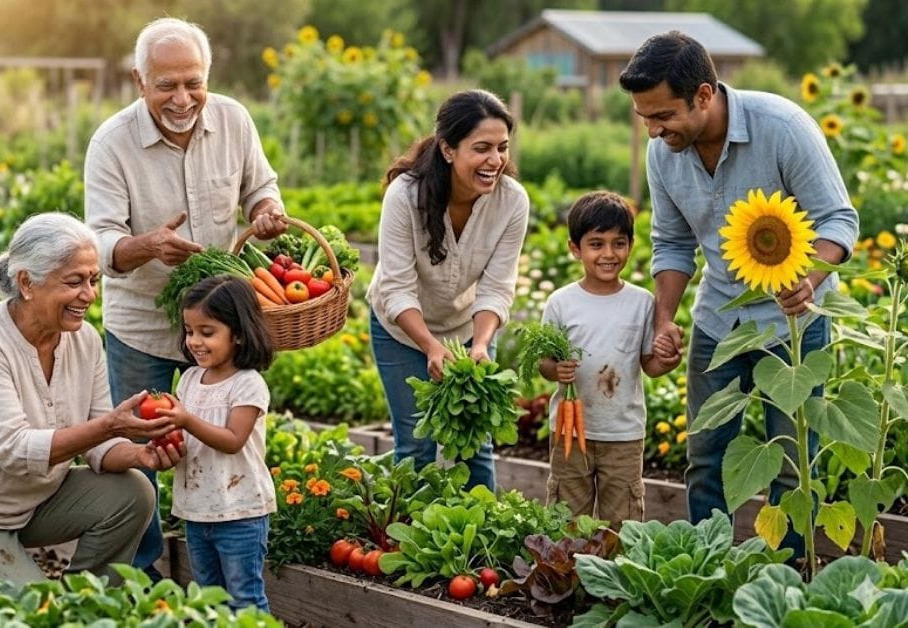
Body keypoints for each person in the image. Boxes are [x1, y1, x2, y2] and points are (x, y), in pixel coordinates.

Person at [618, 32, 858, 552]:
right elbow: (673, 242)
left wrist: (809, 279)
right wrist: (663, 319)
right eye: (645, 119)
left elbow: (838, 219)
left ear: (703, 95)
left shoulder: (784, 128)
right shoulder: (663, 154)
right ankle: (712, 571)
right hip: (719, 319)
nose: (654, 131)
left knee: (795, 463)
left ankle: (789, 579)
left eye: (663, 116)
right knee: (705, 458)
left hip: (795, 326)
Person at [0, 213, 186, 597]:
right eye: (74, 282)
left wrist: (141, 454)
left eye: (93, 280)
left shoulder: (85, 340)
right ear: (26, 282)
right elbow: (14, 450)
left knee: (134, 493)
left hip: (29, 501)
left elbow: (100, 444)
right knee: (28, 612)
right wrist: (111, 426)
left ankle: (86, 606)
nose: (89, 295)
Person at [83, 16, 287, 578]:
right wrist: (146, 245)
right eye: (166, 84)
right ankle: (142, 577)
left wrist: (266, 212)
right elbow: (98, 241)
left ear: (208, 77)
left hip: (219, 325)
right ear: (138, 81)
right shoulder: (112, 142)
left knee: (229, 441)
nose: (182, 97)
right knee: (139, 451)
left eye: (193, 82)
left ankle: (227, 563)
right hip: (142, 327)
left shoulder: (233, 120)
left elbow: (259, 187)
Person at [368, 89, 530, 491]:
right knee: (418, 444)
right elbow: (397, 289)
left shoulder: (512, 202)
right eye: (481, 148)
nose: (495, 160)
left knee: (477, 444)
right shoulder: (405, 196)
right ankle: (415, 545)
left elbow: (496, 288)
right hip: (401, 331)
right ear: (447, 149)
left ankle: (482, 543)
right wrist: (429, 346)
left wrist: (480, 345)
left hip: (467, 328)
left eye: (502, 148)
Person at [538, 191, 681, 527]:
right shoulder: (562, 303)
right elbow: (543, 363)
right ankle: (569, 575)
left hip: (623, 433)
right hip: (570, 434)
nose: (608, 253)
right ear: (576, 249)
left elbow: (649, 364)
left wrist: (667, 361)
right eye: (596, 243)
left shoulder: (642, 302)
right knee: (567, 517)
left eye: (618, 243)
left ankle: (615, 575)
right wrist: (556, 370)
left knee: (623, 520)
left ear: (631, 245)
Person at [155, 275, 276, 612]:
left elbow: (233, 440)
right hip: (196, 510)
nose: (195, 341)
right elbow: (189, 442)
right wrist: (166, 442)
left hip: (240, 512)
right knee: (209, 600)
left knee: (245, 598)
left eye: (207, 332)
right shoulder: (191, 379)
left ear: (238, 333)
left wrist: (185, 420)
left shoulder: (247, 385)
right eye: (190, 331)